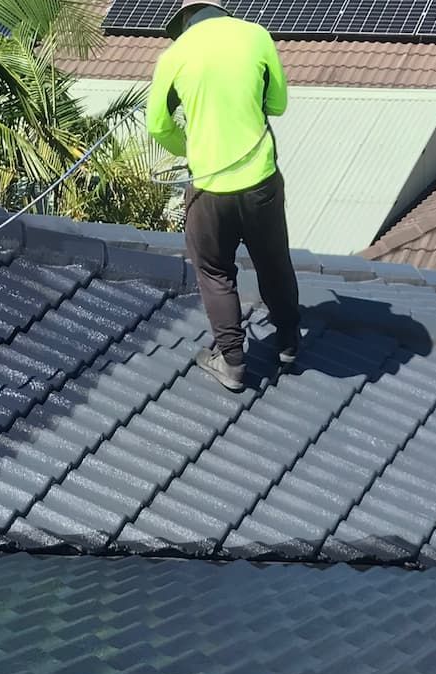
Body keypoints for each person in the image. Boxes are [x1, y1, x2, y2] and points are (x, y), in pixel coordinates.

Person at [147, 0, 301, 392]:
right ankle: (288, 344)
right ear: (223, 11)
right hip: (261, 181)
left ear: (185, 18)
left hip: (210, 188)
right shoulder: (257, 36)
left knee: (215, 271)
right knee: (273, 261)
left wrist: (192, 147)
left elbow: (157, 125)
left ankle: (232, 361)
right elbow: (278, 104)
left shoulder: (174, 54)